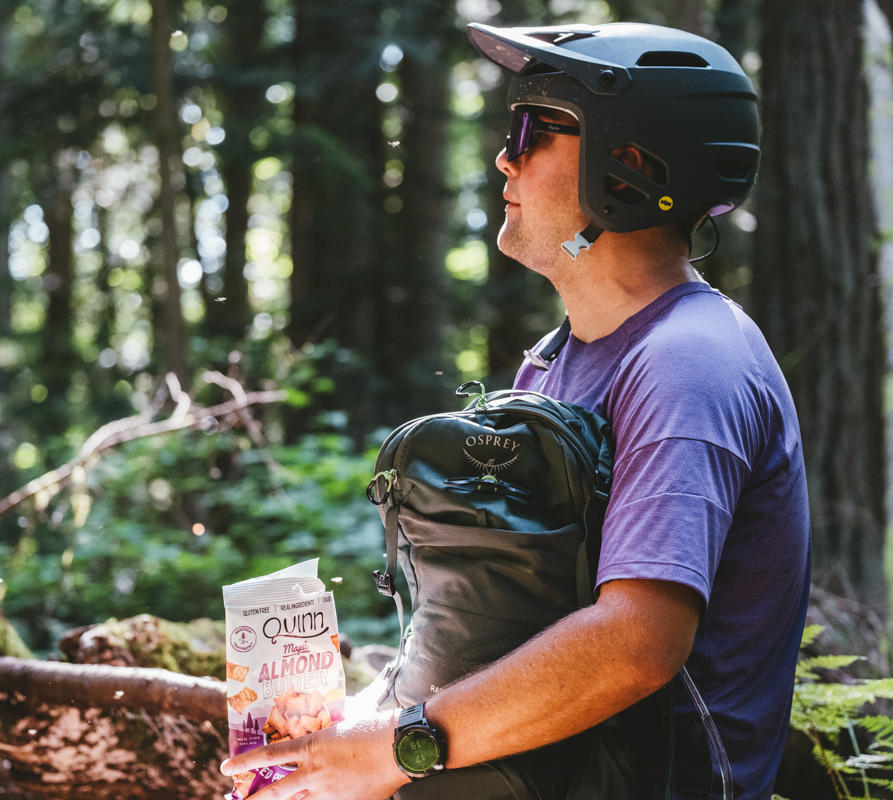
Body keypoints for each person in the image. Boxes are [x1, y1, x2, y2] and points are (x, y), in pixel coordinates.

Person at [222, 21, 811, 800]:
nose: (505, 155)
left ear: (628, 166)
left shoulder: (689, 363)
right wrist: (347, 738)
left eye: (533, 128)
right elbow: (516, 618)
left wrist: (399, 749)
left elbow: (636, 643)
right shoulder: (555, 360)